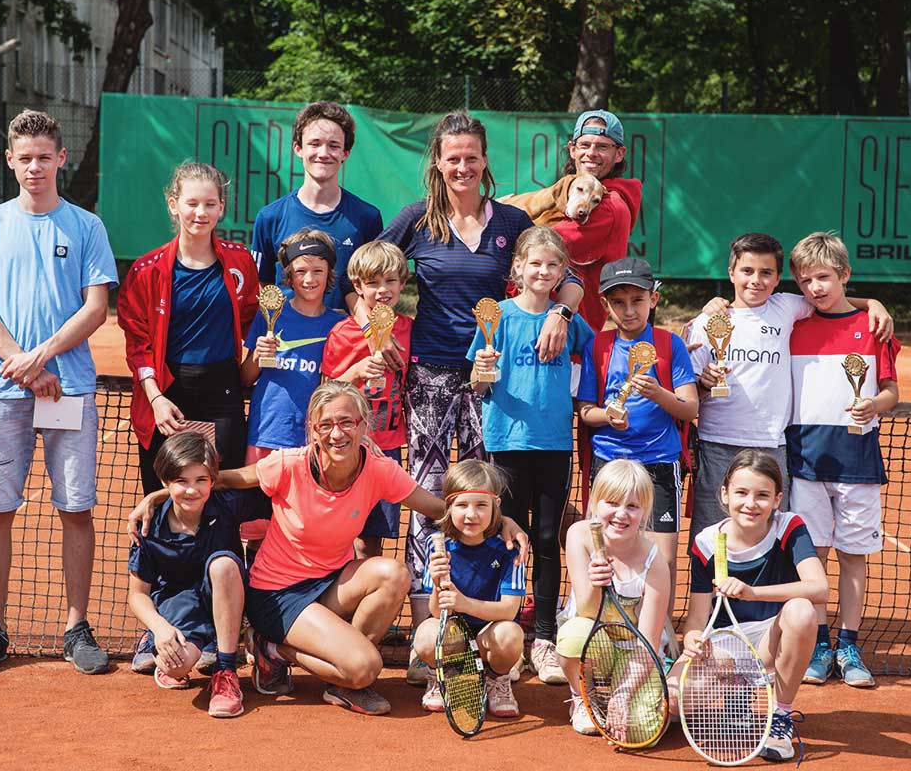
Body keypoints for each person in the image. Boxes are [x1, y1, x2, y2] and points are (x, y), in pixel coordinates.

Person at [128, 381, 530, 716]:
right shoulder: (287, 464)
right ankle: (279, 648)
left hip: (332, 584)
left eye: (347, 422)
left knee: (394, 574)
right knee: (366, 667)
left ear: (363, 425)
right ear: (314, 429)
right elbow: (220, 479)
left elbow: (441, 508)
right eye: (327, 424)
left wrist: (501, 520)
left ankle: (338, 673)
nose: (337, 433)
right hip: (277, 594)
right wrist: (159, 496)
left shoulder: (379, 469)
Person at [375, 111, 583, 682]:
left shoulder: (512, 221)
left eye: (471, 157)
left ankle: (484, 626)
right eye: (453, 158)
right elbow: (366, 271)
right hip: (429, 374)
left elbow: (566, 275)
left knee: (482, 499)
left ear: (485, 160)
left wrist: (561, 314)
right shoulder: (416, 219)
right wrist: (376, 326)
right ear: (437, 163)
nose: (462, 167)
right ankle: (430, 629)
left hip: (493, 382)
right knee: (427, 492)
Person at [0, 109, 117, 676]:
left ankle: (76, 627)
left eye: (44, 157)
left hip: (66, 389)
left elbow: (96, 308)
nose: (35, 167)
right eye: (24, 158)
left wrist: (40, 358)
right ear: (10, 161)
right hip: (4, 393)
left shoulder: (87, 227)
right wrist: (23, 368)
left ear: (60, 158)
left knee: (76, 508)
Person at [686, 232, 895, 547]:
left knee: (770, 542)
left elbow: (832, 299)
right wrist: (704, 384)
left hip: (773, 446)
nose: (756, 280)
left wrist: (874, 304)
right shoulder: (706, 322)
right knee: (714, 540)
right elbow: (688, 396)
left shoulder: (787, 306)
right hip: (717, 444)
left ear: (777, 278)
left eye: (766, 273)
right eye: (747, 271)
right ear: (731, 273)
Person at [468, 226, 594, 684]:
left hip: (555, 444)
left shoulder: (570, 322)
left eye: (552, 265)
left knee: (544, 538)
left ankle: (543, 639)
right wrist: (482, 371)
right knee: (506, 537)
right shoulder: (497, 316)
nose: (543, 271)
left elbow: (598, 355)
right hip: (507, 444)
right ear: (518, 267)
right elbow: (477, 384)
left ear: (562, 273)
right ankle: (504, 637)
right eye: (535, 263)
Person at [786, 232, 901, 688]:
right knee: (811, 556)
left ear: (844, 275)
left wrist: (875, 405)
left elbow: (891, 391)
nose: (815, 287)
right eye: (805, 280)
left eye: (823, 277)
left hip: (858, 463)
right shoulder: (793, 324)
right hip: (804, 464)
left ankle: (849, 644)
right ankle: (818, 645)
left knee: (853, 557)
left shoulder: (874, 328)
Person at [669, 449, 828, 764]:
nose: (751, 503)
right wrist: (692, 639)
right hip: (725, 647)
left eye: (762, 495)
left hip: (772, 638)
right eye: (741, 492)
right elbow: (697, 618)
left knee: (802, 610)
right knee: (674, 701)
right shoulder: (706, 542)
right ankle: (736, 692)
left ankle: (780, 716)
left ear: (777, 499)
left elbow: (819, 587)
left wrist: (752, 593)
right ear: (725, 494)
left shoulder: (789, 527)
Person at [116, 161, 260, 497]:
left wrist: (260, 355)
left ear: (221, 208)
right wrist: (156, 399)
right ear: (173, 204)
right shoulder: (147, 270)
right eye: (192, 203)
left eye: (210, 204)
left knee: (219, 493)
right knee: (166, 495)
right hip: (169, 397)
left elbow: (253, 321)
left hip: (222, 396)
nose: (201, 213)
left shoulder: (240, 261)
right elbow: (138, 345)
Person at [575, 257, 698, 633]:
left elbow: (689, 407)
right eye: (618, 302)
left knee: (663, 556)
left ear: (653, 299)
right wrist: (607, 416)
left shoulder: (669, 344)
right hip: (610, 463)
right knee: (605, 550)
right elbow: (585, 411)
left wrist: (659, 394)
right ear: (606, 304)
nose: (628, 310)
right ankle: (607, 626)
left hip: (659, 463)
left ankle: (657, 635)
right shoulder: (598, 345)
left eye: (637, 300)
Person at [126, 432, 272, 718]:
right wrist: (159, 627)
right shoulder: (148, 525)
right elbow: (137, 594)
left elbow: (281, 494)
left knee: (223, 564)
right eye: (181, 481)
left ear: (213, 481)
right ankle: (157, 640)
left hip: (225, 594)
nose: (192, 490)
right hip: (180, 605)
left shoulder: (227, 503)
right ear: (166, 482)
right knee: (176, 666)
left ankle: (226, 671)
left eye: (201, 480)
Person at [239, 228, 346, 555]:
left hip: (311, 442)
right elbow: (246, 377)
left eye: (317, 270)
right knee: (257, 531)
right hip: (266, 435)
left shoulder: (339, 324)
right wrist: (258, 354)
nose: (309, 279)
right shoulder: (271, 315)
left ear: (329, 273)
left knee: (301, 530)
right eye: (300, 271)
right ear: (289, 275)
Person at [555, 459, 671, 735]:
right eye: (612, 503)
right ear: (595, 503)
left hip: (636, 655)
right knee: (573, 635)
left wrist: (624, 694)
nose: (621, 514)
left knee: (641, 731)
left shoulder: (655, 561)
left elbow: (648, 643)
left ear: (645, 512)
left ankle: (619, 697)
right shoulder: (579, 534)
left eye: (632, 506)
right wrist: (596, 584)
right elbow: (586, 611)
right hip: (595, 644)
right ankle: (584, 696)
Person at [321, 240, 413, 558]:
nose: (382, 290)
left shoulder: (410, 330)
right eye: (373, 283)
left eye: (390, 281)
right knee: (336, 533)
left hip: (387, 448)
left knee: (371, 539)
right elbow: (324, 394)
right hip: (345, 448)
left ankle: (366, 589)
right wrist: (357, 371)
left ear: (402, 283)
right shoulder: (343, 333)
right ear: (358, 286)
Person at [414, 460, 526, 719]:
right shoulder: (437, 544)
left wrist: (464, 603)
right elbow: (436, 612)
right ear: (449, 507)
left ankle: (497, 678)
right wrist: (438, 583)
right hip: (452, 631)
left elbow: (509, 611)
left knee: (510, 635)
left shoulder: (509, 549)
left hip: (491, 632)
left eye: (481, 505)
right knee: (426, 636)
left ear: (496, 505)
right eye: (462, 505)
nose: (471, 514)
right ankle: (440, 675)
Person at [251, 101, 383, 312]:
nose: (323, 153)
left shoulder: (367, 218)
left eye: (333, 145)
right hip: (287, 333)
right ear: (298, 148)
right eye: (314, 143)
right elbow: (261, 283)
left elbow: (374, 284)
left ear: (346, 153)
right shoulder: (269, 217)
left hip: (347, 332)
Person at [552, 110, 644, 330]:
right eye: (584, 145)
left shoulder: (609, 206)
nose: (591, 153)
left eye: (602, 147)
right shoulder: (573, 191)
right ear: (572, 149)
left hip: (568, 332)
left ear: (619, 153)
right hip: (543, 324)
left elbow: (539, 245)